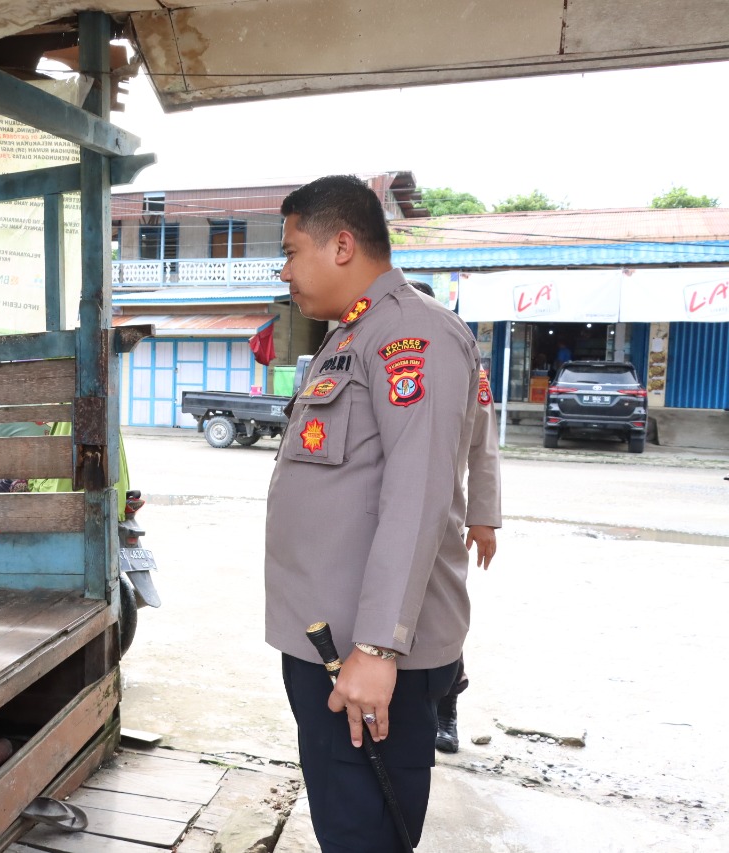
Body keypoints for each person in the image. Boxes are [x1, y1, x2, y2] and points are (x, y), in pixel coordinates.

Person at [267, 175, 487, 850]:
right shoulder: (350, 336)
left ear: (341, 246)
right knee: (344, 819)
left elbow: (418, 495)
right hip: (329, 643)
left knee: (365, 833)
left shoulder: (411, 335)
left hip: (365, 657)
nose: (284, 271)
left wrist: (377, 647)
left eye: (291, 251)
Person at [405, 282, 503, 753]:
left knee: (439, 613)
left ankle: (446, 709)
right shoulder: (379, 355)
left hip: (441, 515)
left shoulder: (463, 362)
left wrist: (483, 517)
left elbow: (484, 445)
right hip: (377, 513)